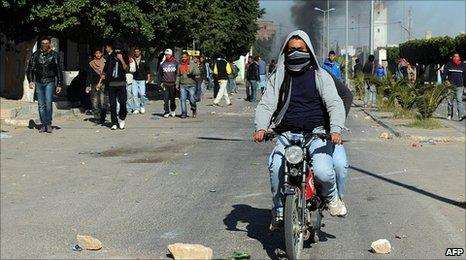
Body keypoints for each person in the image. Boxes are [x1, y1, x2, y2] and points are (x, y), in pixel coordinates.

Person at [253, 30, 347, 229]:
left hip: (317, 133)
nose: (295, 53)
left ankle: (332, 199)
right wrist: (261, 127)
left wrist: (336, 129)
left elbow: (334, 103)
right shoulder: (279, 76)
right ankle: (279, 211)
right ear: (285, 52)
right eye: (291, 50)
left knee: (323, 171)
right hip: (287, 134)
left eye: (300, 49)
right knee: (275, 166)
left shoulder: (320, 76)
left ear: (309, 51)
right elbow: (266, 104)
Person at [26, 36, 63, 133]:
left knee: (48, 102)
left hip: (50, 81)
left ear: (49, 44)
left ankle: (48, 123)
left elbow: (58, 70)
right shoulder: (35, 55)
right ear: (40, 44)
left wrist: (59, 84)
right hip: (38, 81)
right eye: (43, 43)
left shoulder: (55, 55)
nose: (45, 45)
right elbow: (30, 68)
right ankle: (43, 124)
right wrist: (30, 81)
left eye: (47, 43)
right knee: (41, 105)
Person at [99, 41, 129, 130]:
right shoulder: (109, 57)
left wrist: (121, 59)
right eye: (115, 49)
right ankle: (114, 122)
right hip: (111, 84)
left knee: (123, 102)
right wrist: (100, 81)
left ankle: (122, 118)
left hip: (121, 83)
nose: (117, 51)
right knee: (112, 105)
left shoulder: (125, 56)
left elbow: (127, 69)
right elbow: (105, 71)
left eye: (118, 49)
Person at [86, 48, 108, 125]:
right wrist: (87, 85)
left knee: (103, 102)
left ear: (102, 54)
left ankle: (102, 118)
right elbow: (89, 75)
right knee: (94, 102)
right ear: (94, 54)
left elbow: (106, 74)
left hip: (103, 84)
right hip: (94, 84)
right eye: (96, 53)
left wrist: (102, 82)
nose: (98, 55)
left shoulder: (105, 62)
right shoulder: (91, 64)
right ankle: (97, 118)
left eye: (99, 53)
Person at [443, 52, 466, 121]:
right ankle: (449, 114)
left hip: (460, 86)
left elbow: (465, 76)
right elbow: (444, 74)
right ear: (452, 58)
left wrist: (465, 86)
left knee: (459, 100)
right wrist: (445, 81)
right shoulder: (449, 64)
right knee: (450, 101)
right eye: (455, 57)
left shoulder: (463, 65)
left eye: (457, 57)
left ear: (459, 58)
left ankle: (460, 115)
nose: (456, 58)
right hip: (451, 86)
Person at [176, 51, 200, 118]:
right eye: (182, 57)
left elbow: (198, 72)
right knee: (182, 99)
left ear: (188, 57)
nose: (184, 58)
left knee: (192, 99)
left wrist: (192, 72)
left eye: (185, 57)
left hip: (191, 85)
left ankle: (194, 109)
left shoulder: (192, 64)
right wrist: (177, 83)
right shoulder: (180, 65)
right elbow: (178, 75)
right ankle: (184, 113)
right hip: (182, 85)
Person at [157, 48, 178, 118]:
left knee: (172, 98)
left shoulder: (175, 63)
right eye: (166, 54)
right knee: (166, 99)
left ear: (171, 55)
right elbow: (159, 74)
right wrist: (160, 82)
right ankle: (166, 111)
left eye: (168, 54)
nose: (167, 56)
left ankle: (172, 110)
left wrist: (177, 82)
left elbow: (177, 73)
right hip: (165, 84)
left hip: (173, 84)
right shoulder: (162, 64)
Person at [131, 47, 150, 114]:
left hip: (142, 79)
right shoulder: (132, 59)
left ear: (140, 52)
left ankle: (142, 106)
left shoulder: (144, 59)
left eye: (138, 51)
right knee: (134, 94)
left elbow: (148, 69)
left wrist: (148, 77)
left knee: (142, 94)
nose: (136, 53)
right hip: (134, 79)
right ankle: (136, 108)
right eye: (135, 51)